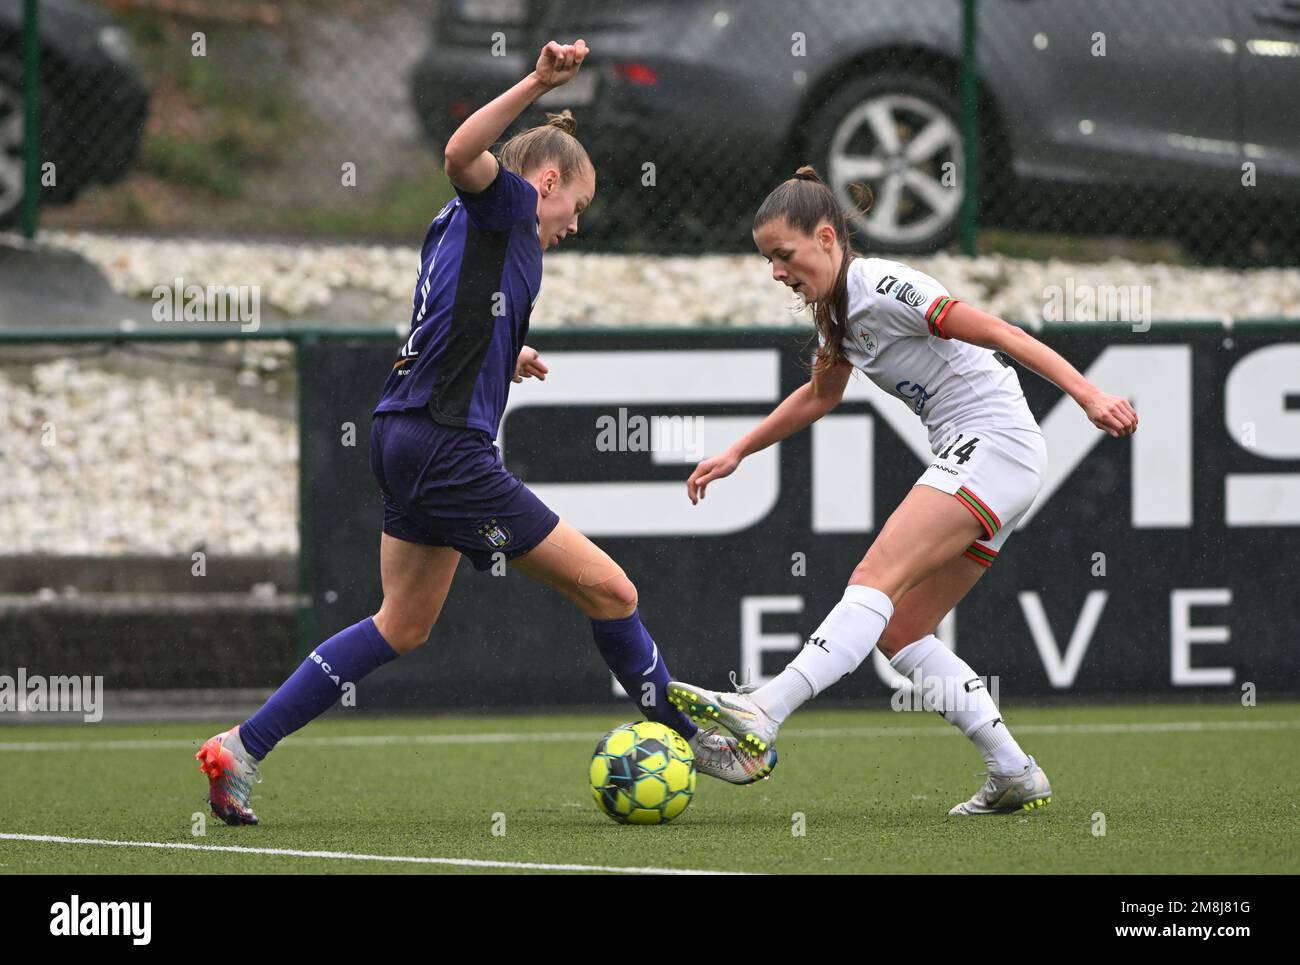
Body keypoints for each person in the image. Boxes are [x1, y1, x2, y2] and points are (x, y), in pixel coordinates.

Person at [196, 40, 774, 826]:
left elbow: (451, 318)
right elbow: (460, 150)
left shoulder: (467, 229)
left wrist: (510, 351)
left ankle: (241, 747)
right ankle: (683, 731)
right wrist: (538, 82)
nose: (575, 222)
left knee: (402, 623)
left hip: (401, 434)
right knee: (613, 589)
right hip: (444, 447)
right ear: (546, 182)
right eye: (577, 204)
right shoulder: (503, 204)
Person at [667, 166, 1138, 816]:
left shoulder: (884, 286)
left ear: (827, 237)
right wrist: (737, 450)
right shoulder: (835, 313)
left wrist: (1089, 393)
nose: (777, 271)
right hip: (989, 460)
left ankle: (764, 709)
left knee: (874, 577)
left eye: (784, 254)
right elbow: (819, 395)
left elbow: (1001, 333)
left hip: (993, 444)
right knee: (902, 631)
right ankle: (1013, 769)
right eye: (768, 260)